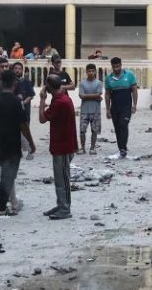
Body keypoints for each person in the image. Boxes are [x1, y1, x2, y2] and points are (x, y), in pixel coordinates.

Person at [0, 69, 31, 216]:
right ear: (14, 83)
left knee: (6, 175)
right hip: (12, 144)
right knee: (8, 176)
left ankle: (8, 205)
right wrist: (31, 143)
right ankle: (1, 209)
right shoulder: (17, 102)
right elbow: (23, 125)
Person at [39, 74, 78, 220]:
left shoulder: (60, 102)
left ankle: (65, 208)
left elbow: (42, 119)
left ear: (48, 87)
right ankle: (61, 204)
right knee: (60, 179)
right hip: (62, 145)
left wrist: (42, 100)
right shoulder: (62, 98)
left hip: (63, 147)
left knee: (63, 180)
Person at [105, 56, 139, 159]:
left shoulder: (129, 76)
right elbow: (107, 94)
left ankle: (123, 148)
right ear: (112, 66)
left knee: (123, 124)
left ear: (121, 65)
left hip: (126, 106)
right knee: (117, 128)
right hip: (115, 107)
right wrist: (107, 109)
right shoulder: (108, 78)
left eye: (118, 66)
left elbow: (134, 90)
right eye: (114, 66)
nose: (116, 68)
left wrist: (134, 105)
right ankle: (121, 148)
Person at [12, 61, 37, 158]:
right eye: (16, 68)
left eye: (19, 68)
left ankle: (29, 150)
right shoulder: (11, 82)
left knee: (25, 130)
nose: (17, 70)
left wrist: (22, 102)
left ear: (22, 70)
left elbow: (31, 95)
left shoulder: (27, 82)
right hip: (13, 110)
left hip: (24, 110)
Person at [77, 63, 104, 154]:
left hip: (96, 111)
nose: (91, 72)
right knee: (82, 130)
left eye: (93, 71)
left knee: (94, 130)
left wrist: (87, 96)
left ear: (95, 71)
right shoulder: (82, 83)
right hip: (85, 111)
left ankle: (92, 148)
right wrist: (96, 97)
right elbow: (81, 96)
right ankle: (83, 148)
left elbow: (99, 93)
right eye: (89, 71)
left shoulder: (99, 83)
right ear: (86, 72)